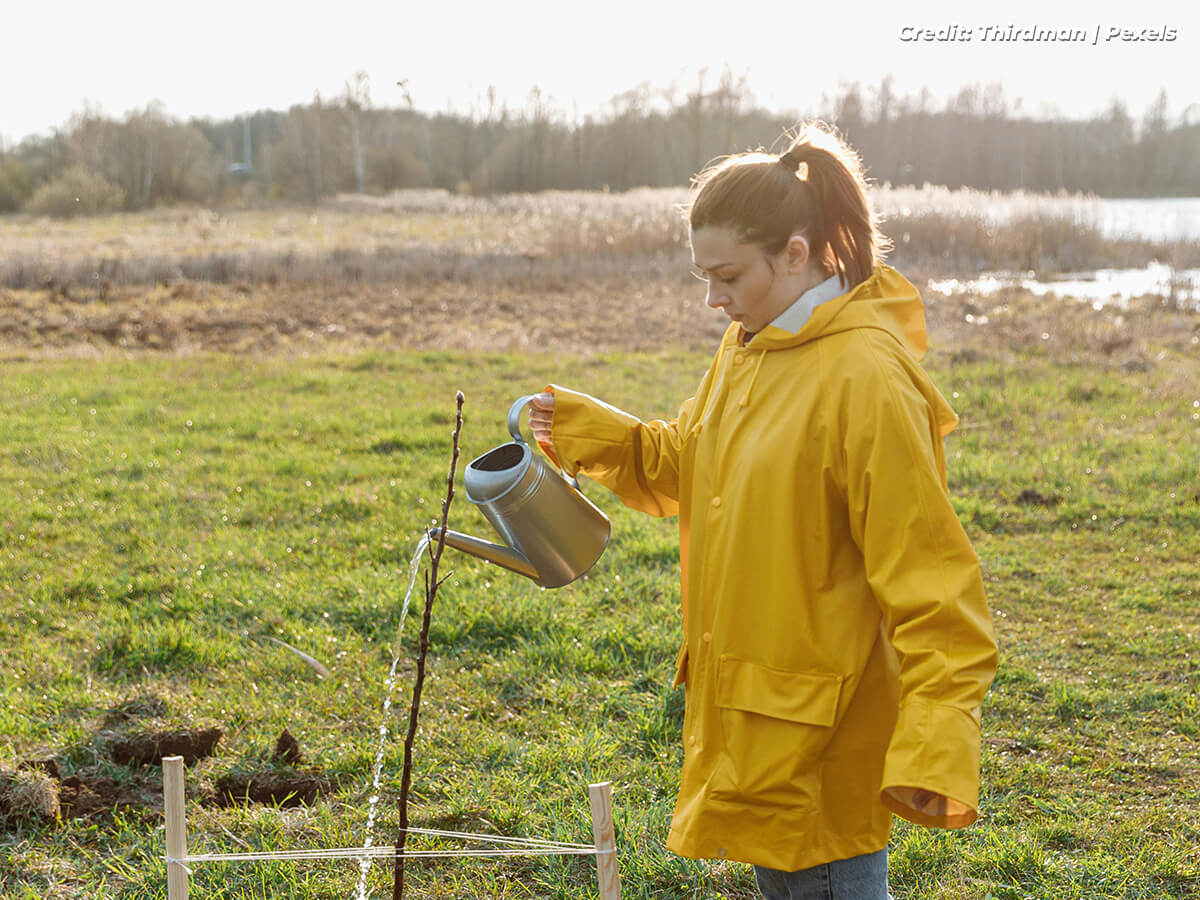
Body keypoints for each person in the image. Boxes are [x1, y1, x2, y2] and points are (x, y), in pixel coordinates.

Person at [527, 122, 999, 900]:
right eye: (703, 277)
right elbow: (693, 465)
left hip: (822, 741)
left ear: (796, 254)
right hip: (755, 720)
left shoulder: (866, 379)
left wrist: (933, 747)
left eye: (728, 276)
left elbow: (935, 586)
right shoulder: (751, 346)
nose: (713, 299)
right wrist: (583, 430)